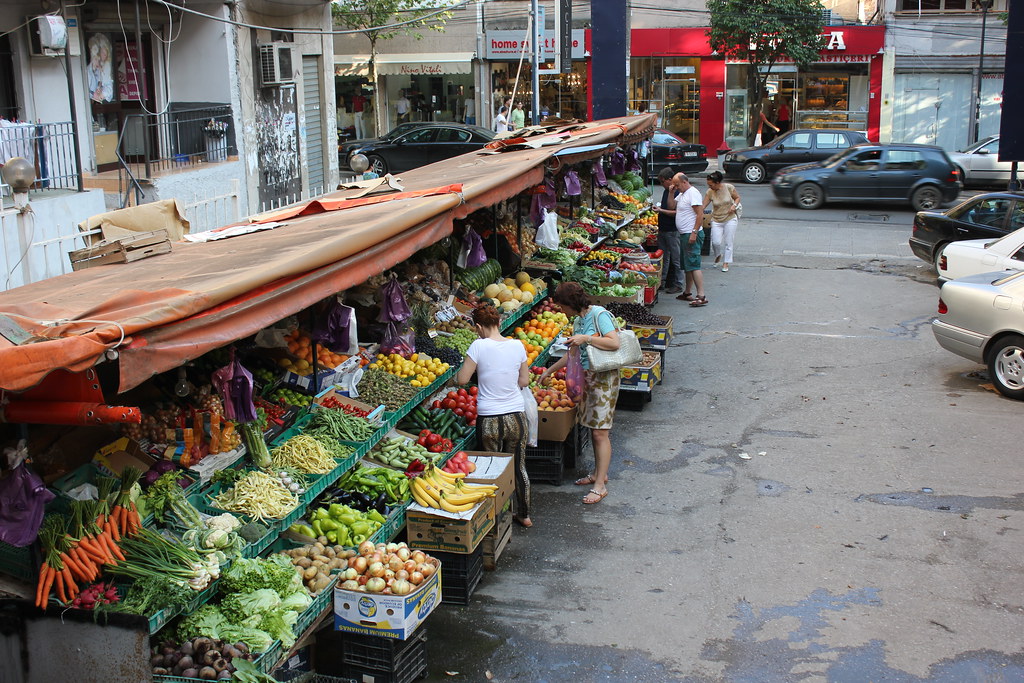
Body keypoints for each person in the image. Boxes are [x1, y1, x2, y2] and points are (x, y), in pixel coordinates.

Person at [539, 282, 621, 505]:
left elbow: (614, 342)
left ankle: (600, 486)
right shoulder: (577, 321)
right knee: (594, 430)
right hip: (588, 379)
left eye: (562, 306)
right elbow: (572, 354)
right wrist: (549, 370)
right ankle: (598, 474)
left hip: (604, 379)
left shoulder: (599, 315)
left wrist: (587, 338)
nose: (561, 310)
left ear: (571, 303)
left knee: (600, 433)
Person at [457, 304, 533, 527]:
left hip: (490, 419)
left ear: (478, 326)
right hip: (516, 417)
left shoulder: (478, 346)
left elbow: (462, 379)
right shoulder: (517, 345)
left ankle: (496, 519)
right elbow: (524, 381)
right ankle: (525, 515)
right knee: (518, 466)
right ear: (499, 322)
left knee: (492, 470)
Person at [673, 172, 706, 306]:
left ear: (684, 182)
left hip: (691, 234)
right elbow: (672, 206)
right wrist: (671, 191)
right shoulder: (682, 194)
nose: (676, 187)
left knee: (694, 264)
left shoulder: (693, 193)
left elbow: (700, 214)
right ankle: (687, 292)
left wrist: (694, 232)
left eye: (677, 185)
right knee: (688, 265)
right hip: (685, 234)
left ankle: (701, 295)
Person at [703, 170, 741, 273]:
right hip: (716, 219)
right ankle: (718, 255)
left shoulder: (729, 187)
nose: (709, 187)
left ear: (717, 183)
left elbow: (737, 198)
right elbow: (703, 205)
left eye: (711, 185)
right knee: (715, 242)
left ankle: (726, 262)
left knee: (728, 242)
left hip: (730, 218)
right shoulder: (710, 192)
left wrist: (734, 206)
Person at [653, 167, 683, 295]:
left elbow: (676, 212)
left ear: (670, 180)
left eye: (662, 181)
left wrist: (660, 210)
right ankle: (662, 282)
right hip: (663, 229)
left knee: (676, 258)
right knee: (663, 257)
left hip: (672, 230)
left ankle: (678, 284)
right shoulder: (667, 191)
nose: (661, 184)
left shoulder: (676, 193)